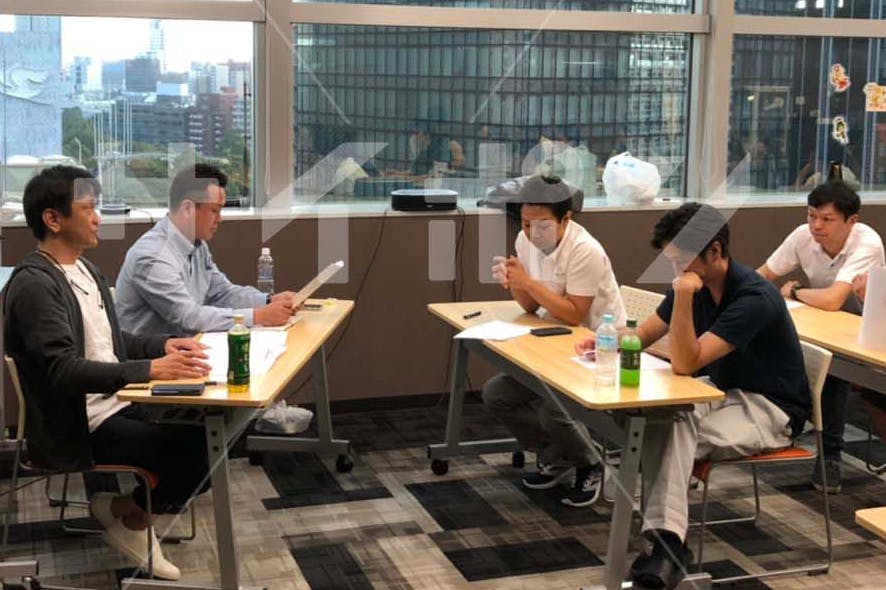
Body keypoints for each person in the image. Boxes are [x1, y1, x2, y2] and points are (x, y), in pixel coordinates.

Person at [576, 203, 811, 588]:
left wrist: (683, 295)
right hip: (721, 394)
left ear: (715, 251)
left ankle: (667, 547)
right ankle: (668, 544)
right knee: (666, 419)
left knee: (666, 431)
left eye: (680, 261)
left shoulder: (753, 296)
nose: (675, 271)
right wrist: (605, 340)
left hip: (771, 408)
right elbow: (646, 333)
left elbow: (686, 362)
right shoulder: (693, 283)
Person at [3, 166, 213, 580]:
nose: (98, 218)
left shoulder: (84, 270)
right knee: (197, 453)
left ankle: (117, 508)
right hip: (79, 425)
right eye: (88, 208)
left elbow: (112, 341)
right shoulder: (35, 287)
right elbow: (63, 370)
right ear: (53, 219)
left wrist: (163, 346)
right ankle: (132, 521)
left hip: (115, 403)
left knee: (207, 427)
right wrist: (148, 370)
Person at [483, 175, 627, 508]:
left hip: (599, 348)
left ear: (566, 219)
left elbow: (574, 314)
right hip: (558, 343)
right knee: (497, 395)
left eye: (543, 225)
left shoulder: (585, 250)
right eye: (526, 223)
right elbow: (530, 306)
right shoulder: (524, 240)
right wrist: (515, 282)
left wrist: (528, 283)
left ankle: (590, 463)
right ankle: (560, 455)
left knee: (554, 409)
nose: (533, 233)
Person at [757, 181, 884, 492]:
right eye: (811, 215)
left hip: (867, 329)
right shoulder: (803, 236)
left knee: (834, 370)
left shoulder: (866, 241)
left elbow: (832, 300)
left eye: (827, 219)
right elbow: (761, 277)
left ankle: (830, 456)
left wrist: (795, 291)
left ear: (851, 221)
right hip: (827, 325)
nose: (816, 226)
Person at [116, 163, 297, 335]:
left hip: (187, 347)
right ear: (188, 208)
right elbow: (188, 317)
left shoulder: (197, 245)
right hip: (155, 355)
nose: (220, 219)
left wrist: (268, 300)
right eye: (214, 211)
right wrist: (258, 316)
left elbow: (221, 293)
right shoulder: (152, 256)